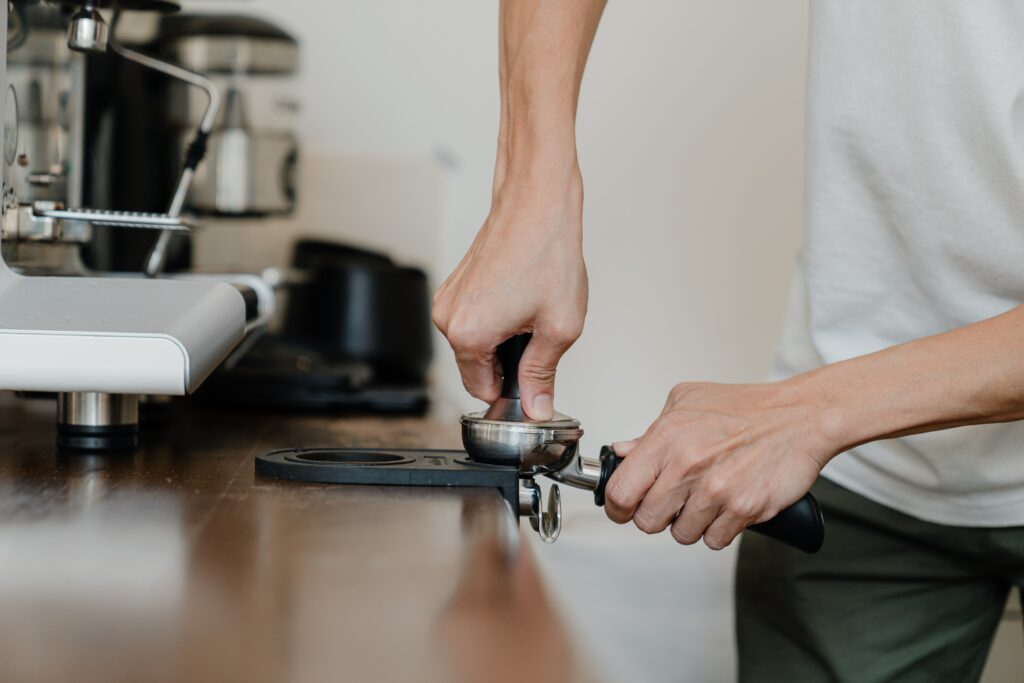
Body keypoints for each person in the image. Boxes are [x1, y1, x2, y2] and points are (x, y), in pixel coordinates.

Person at [431, 1, 1024, 680]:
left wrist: (807, 414)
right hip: (857, 479)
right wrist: (531, 187)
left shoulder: (808, 421)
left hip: (826, 428)